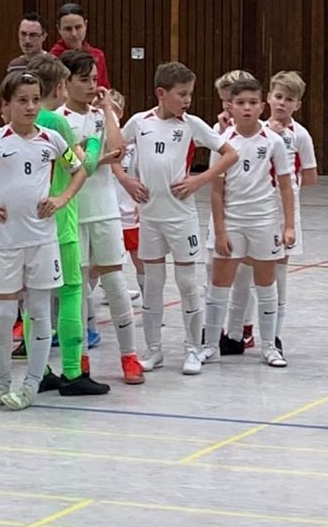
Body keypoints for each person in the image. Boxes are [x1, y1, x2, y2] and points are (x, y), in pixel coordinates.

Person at [0, 71, 87, 411]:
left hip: (43, 241)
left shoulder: (52, 140)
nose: (30, 107)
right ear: (6, 105)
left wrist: (62, 199)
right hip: (7, 242)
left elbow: (78, 169)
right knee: (4, 314)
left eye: (35, 100)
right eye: (22, 100)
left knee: (40, 312)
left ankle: (30, 384)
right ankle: (0, 384)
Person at [122, 61, 237, 375]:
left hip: (181, 217)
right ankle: (153, 350)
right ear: (161, 93)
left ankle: (192, 349)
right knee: (153, 284)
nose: (187, 100)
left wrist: (200, 180)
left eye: (190, 94)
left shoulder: (192, 125)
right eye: (181, 94)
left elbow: (230, 154)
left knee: (187, 282)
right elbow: (113, 151)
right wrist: (126, 180)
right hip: (150, 217)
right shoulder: (139, 122)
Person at [26, 54, 111, 395]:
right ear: (60, 87)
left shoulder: (24, 121)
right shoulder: (57, 123)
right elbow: (83, 167)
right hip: (61, 220)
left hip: (30, 222)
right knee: (72, 291)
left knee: (35, 299)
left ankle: (39, 370)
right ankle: (73, 372)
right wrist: (93, 141)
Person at [59, 50, 144, 385]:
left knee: (115, 282)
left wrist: (108, 109)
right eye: (84, 80)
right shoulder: (58, 119)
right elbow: (75, 164)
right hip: (74, 212)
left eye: (95, 79)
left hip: (105, 209)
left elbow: (118, 150)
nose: (92, 86)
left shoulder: (100, 115)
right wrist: (98, 158)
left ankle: (129, 356)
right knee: (78, 289)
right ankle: (80, 358)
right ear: (66, 82)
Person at [203, 77, 295, 369]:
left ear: (262, 106)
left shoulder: (274, 142)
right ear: (229, 106)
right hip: (232, 222)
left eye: (253, 102)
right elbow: (216, 191)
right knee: (219, 285)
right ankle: (210, 346)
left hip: (264, 221)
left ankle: (269, 346)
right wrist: (219, 232)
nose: (247, 108)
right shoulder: (222, 143)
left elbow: (286, 186)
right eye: (240, 102)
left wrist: (288, 226)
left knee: (266, 286)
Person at [205, 70, 257, 355]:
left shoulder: (261, 133)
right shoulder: (218, 130)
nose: (227, 106)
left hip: (248, 212)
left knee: (245, 272)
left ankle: (243, 328)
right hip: (221, 209)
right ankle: (214, 328)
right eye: (224, 100)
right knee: (213, 267)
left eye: (231, 100)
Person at [266, 70, 318, 354]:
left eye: (289, 99)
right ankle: (244, 330)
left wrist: (289, 184)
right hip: (256, 208)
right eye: (278, 96)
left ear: (297, 105)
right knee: (250, 272)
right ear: (268, 98)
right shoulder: (257, 129)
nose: (282, 103)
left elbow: (310, 176)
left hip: (284, 211)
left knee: (279, 274)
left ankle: (275, 335)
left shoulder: (300, 135)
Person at [109, 90, 145, 300]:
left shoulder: (132, 142)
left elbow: (142, 172)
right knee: (103, 260)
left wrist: (142, 201)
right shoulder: (96, 141)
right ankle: (108, 292)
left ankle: (150, 301)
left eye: (112, 110)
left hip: (129, 208)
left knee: (139, 256)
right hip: (107, 209)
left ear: (120, 113)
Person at [49, 4, 109, 88]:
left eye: (78, 27)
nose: (74, 34)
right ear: (59, 29)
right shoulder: (52, 59)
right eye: (68, 29)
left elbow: (103, 87)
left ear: (86, 25)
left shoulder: (97, 55)